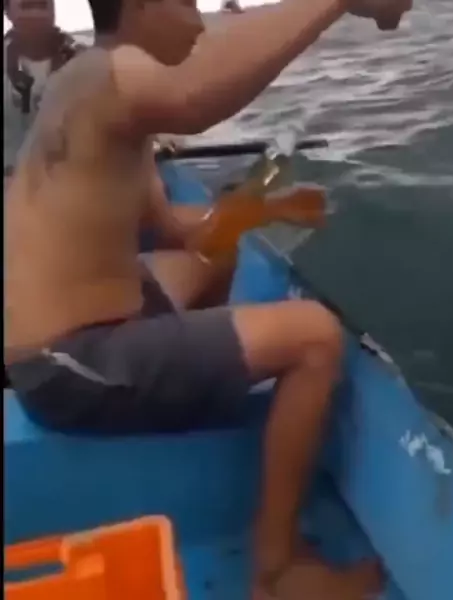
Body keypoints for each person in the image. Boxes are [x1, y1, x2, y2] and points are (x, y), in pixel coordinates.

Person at [5, 0, 412, 598]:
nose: (200, 23)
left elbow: (180, 231)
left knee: (213, 260)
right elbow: (195, 96)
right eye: (186, 4)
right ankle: (275, 570)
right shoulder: (103, 72)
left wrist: (258, 210)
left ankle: (197, 380)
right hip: (70, 362)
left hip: (90, 330)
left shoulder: (104, 97)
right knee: (315, 336)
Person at [3, 0, 85, 182]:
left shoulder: (85, 60)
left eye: (41, 5)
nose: (35, 15)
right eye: (27, 7)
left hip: (70, 184)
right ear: (7, 11)